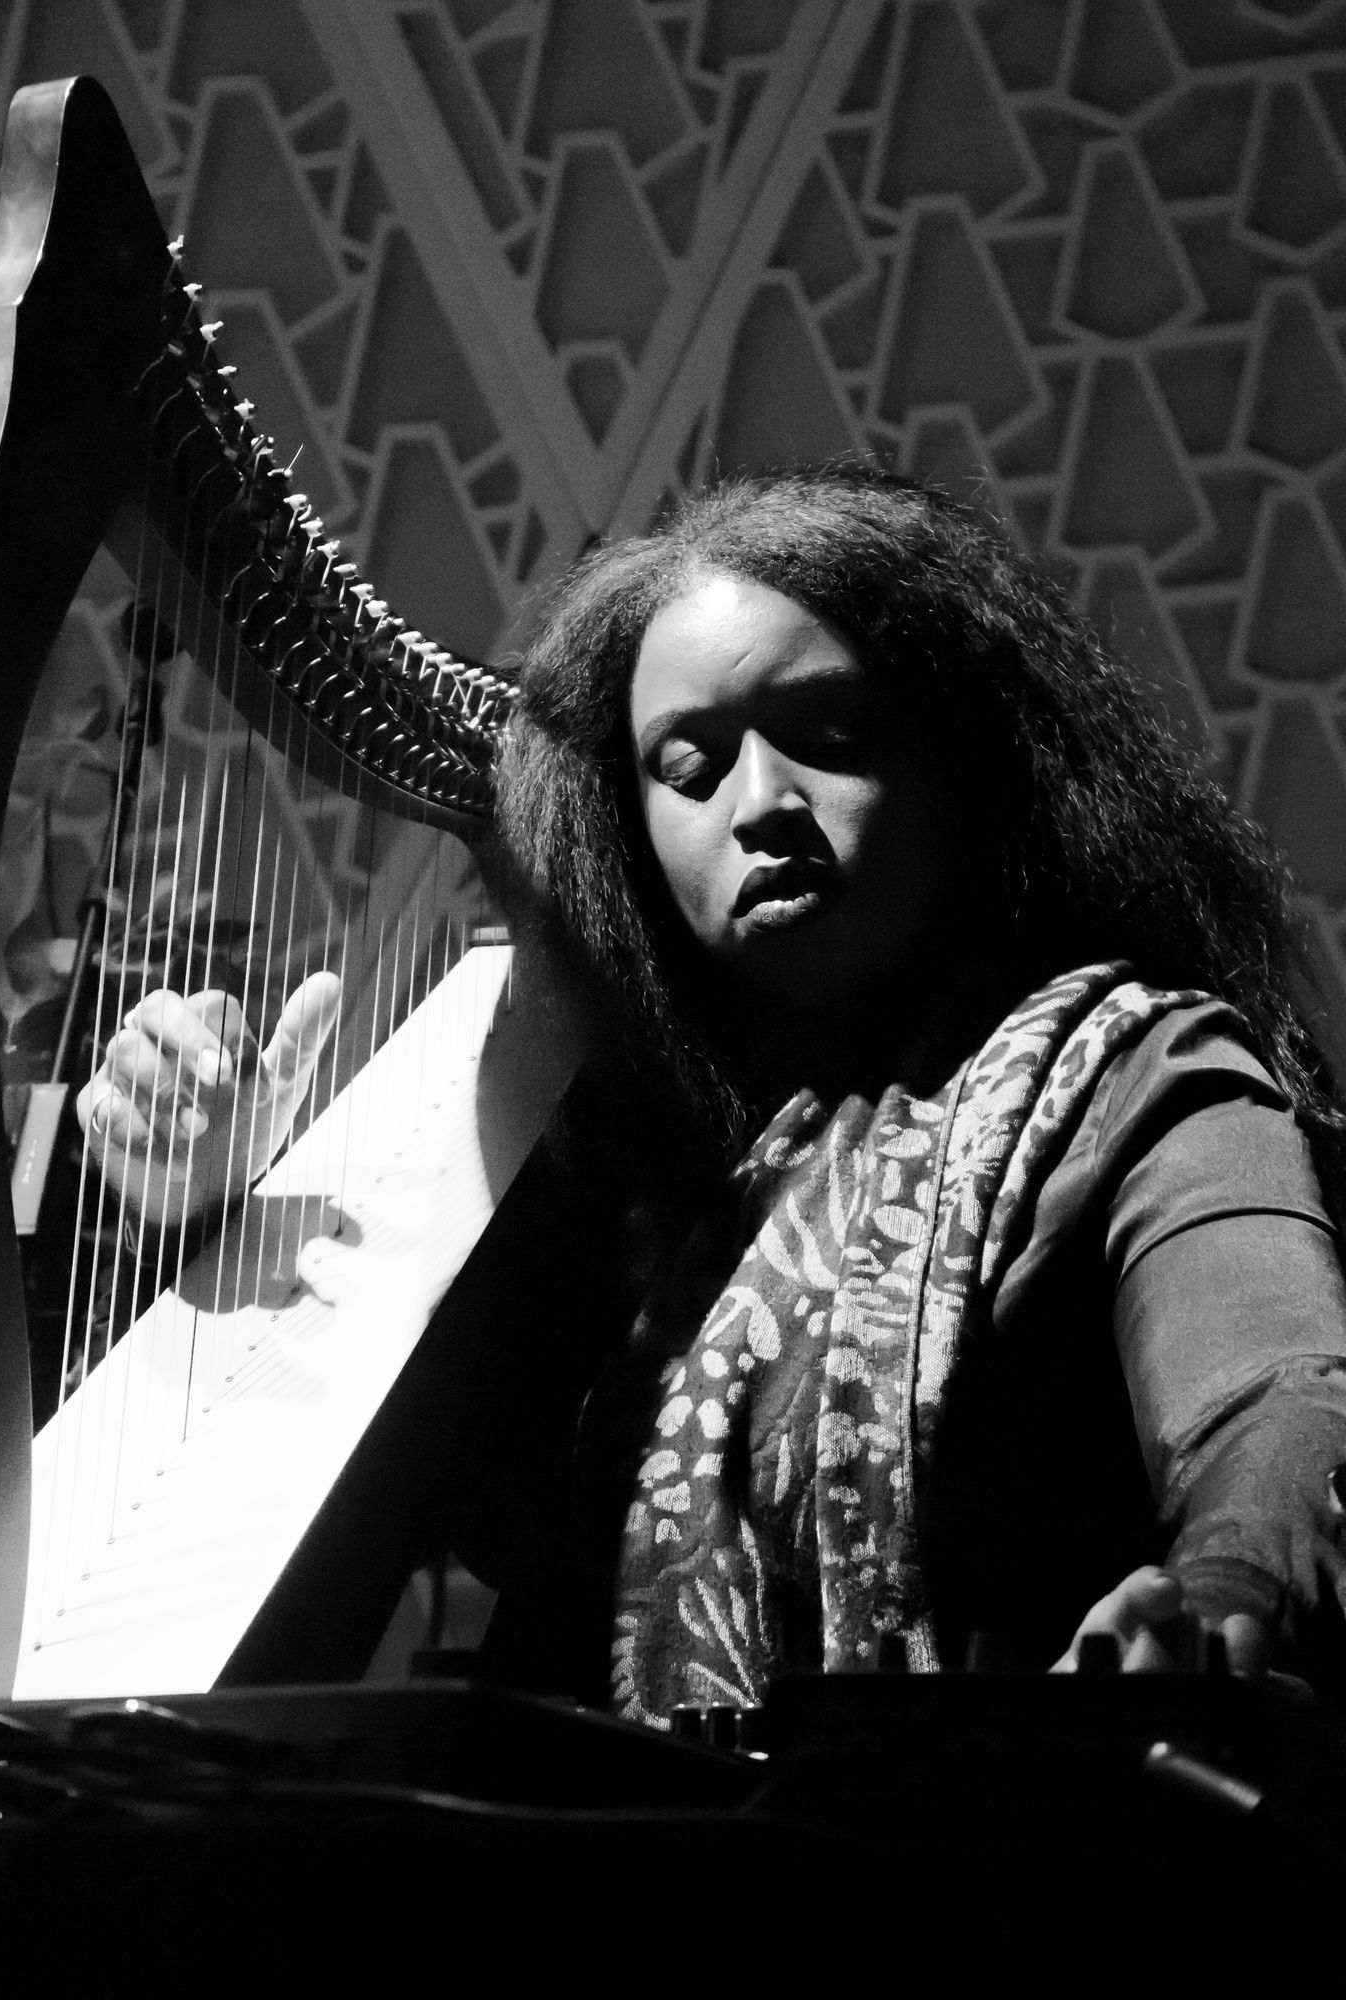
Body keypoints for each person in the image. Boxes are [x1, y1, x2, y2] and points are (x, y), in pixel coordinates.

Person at [79, 465, 1346, 1719]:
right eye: (690, 766)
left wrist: (1218, 1591)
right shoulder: (602, 1166)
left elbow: (1282, 1394)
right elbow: (366, 1507)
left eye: (830, 738)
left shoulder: (1144, 1075)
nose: (763, 805)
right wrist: (210, 1214)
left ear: (967, 759)